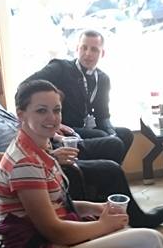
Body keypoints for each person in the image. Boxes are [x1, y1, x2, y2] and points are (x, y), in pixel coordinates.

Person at [0, 80, 163, 248]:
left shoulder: (36, 148)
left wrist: (97, 207)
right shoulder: (24, 163)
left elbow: (55, 204)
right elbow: (54, 231)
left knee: (143, 239)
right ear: (21, 114)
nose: (52, 118)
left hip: (50, 244)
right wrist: (102, 225)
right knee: (150, 243)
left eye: (56, 110)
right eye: (41, 110)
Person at [0, 53, 163, 228]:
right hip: (33, 162)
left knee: (113, 143)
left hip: (39, 145)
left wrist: (50, 129)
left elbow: (14, 124)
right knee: (111, 168)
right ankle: (129, 216)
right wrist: (49, 156)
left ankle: (101, 203)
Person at [23, 30, 134, 162]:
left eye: (94, 49)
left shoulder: (103, 78)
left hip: (85, 127)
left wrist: (112, 134)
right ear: (77, 49)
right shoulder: (60, 68)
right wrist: (52, 118)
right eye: (84, 48)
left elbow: (103, 115)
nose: (88, 53)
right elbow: (25, 86)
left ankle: (107, 170)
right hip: (65, 129)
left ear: (102, 53)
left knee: (125, 135)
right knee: (107, 139)